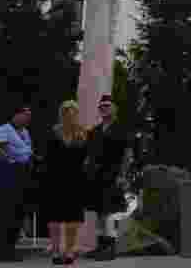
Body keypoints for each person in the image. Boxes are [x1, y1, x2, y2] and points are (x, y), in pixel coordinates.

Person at [83, 95, 133, 262]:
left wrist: (122, 175)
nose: (104, 109)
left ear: (114, 109)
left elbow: (127, 155)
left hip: (114, 175)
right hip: (96, 177)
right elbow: (89, 156)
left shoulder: (122, 129)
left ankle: (110, 248)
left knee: (109, 213)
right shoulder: (94, 131)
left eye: (107, 106)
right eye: (102, 106)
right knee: (99, 212)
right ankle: (101, 247)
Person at [44, 101, 89, 265]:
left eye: (73, 112)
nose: (70, 115)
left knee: (73, 218)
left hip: (76, 180)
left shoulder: (82, 133)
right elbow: (47, 157)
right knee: (54, 217)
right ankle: (56, 251)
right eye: (66, 112)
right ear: (62, 114)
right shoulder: (54, 132)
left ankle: (69, 251)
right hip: (55, 179)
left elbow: (87, 158)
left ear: (76, 114)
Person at [0, 105, 33, 262]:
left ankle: (11, 247)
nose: (28, 119)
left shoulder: (25, 132)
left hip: (23, 174)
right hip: (8, 174)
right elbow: (2, 150)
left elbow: (28, 151)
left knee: (19, 211)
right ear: (16, 115)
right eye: (25, 115)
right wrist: (11, 161)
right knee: (7, 212)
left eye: (29, 116)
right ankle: (3, 249)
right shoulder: (4, 129)